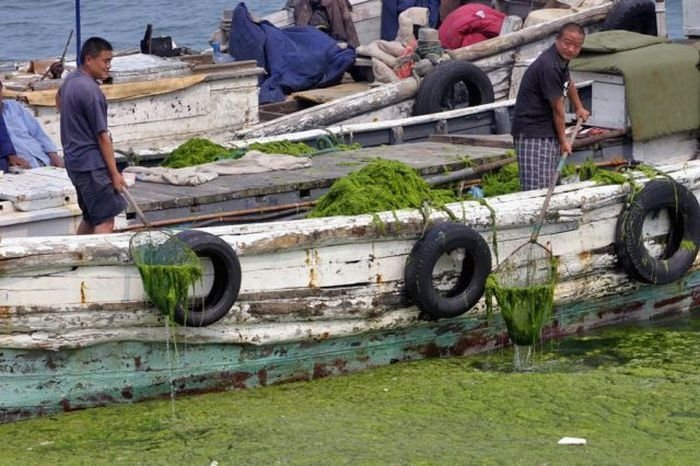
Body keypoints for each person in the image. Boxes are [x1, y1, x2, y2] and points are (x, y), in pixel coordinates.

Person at [58, 36, 127, 234]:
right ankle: (97, 263)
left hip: (75, 163)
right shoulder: (91, 92)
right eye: (105, 61)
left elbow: (58, 98)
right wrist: (114, 174)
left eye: (110, 62)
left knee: (90, 217)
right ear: (89, 60)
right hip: (91, 167)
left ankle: (77, 260)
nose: (108, 67)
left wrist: (73, 121)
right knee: (105, 220)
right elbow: (102, 136)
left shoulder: (71, 79)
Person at [511, 22, 591, 191]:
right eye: (567, 43)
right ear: (557, 40)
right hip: (533, 134)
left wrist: (579, 107)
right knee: (537, 191)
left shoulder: (561, 60)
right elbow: (558, 109)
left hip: (547, 131)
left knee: (550, 184)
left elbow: (568, 82)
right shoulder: (549, 66)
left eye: (576, 46)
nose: (570, 49)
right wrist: (564, 141)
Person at [0, 79, 64, 169]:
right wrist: (9, 158)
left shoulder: (14, 107)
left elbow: (37, 133)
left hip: (44, 160)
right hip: (21, 169)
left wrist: (53, 154)